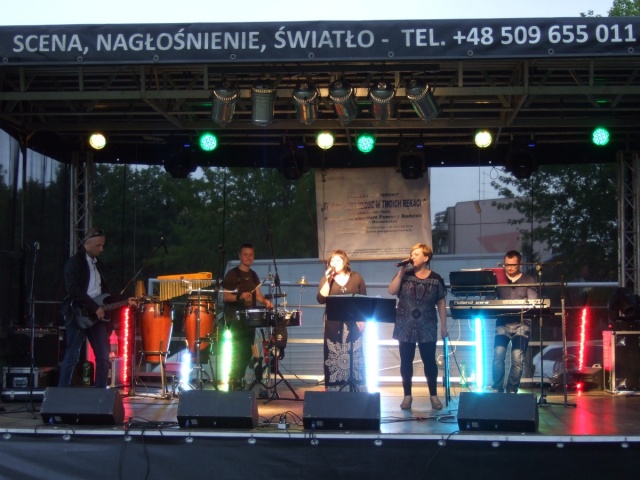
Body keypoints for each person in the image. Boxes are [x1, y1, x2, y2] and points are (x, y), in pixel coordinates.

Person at [58, 228, 136, 388]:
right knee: (72, 356)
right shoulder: (74, 263)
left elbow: (105, 294)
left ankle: (99, 394)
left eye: (102, 245)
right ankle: (61, 393)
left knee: (104, 357)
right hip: (78, 313)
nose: (101, 249)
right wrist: (94, 307)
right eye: (98, 245)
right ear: (87, 243)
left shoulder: (98, 265)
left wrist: (125, 301)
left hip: (96, 315)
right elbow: (73, 290)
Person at [388, 243, 447, 411]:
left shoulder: (435, 279)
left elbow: (441, 302)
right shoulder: (405, 275)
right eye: (411, 254)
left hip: (427, 325)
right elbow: (392, 291)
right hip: (405, 324)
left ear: (426, 258)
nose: (412, 257)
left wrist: (443, 325)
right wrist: (401, 272)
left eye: (416, 254)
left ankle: (433, 395)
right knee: (406, 361)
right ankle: (407, 395)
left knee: (429, 361)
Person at [222, 243, 273, 390]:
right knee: (237, 351)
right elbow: (225, 297)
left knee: (247, 352)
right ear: (240, 256)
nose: (248, 257)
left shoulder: (253, 275)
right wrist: (239, 296)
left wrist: (266, 302)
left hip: (249, 320)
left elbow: (258, 296)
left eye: (251, 254)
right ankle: (233, 380)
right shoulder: (232, 274)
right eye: (245, 254)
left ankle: (239, 378)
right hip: (234, 319)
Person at [316, 250, 367, 392]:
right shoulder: (327, 279)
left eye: (338, 260)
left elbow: (364, 299)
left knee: (355, 353)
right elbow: (321, 299)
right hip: (333, 323)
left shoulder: (356, 277)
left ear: (345, 262)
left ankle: (356, 386)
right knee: (334, 353)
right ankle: (335, 388)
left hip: (353, 322)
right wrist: (328, 279)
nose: (334, 263)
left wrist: (362, 319)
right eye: (332, 261)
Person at [491, 249, 538, 393]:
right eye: (507, 265)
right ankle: (497, 388)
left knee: (517, 358)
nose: (509, 268)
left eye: (513, 265)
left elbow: (534, 302)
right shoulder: (498, 280)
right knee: (498, 355)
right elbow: (489, 300)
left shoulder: (528, 280)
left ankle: (512, 389)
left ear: (520, 264)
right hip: (502, 323)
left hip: (522, 323)